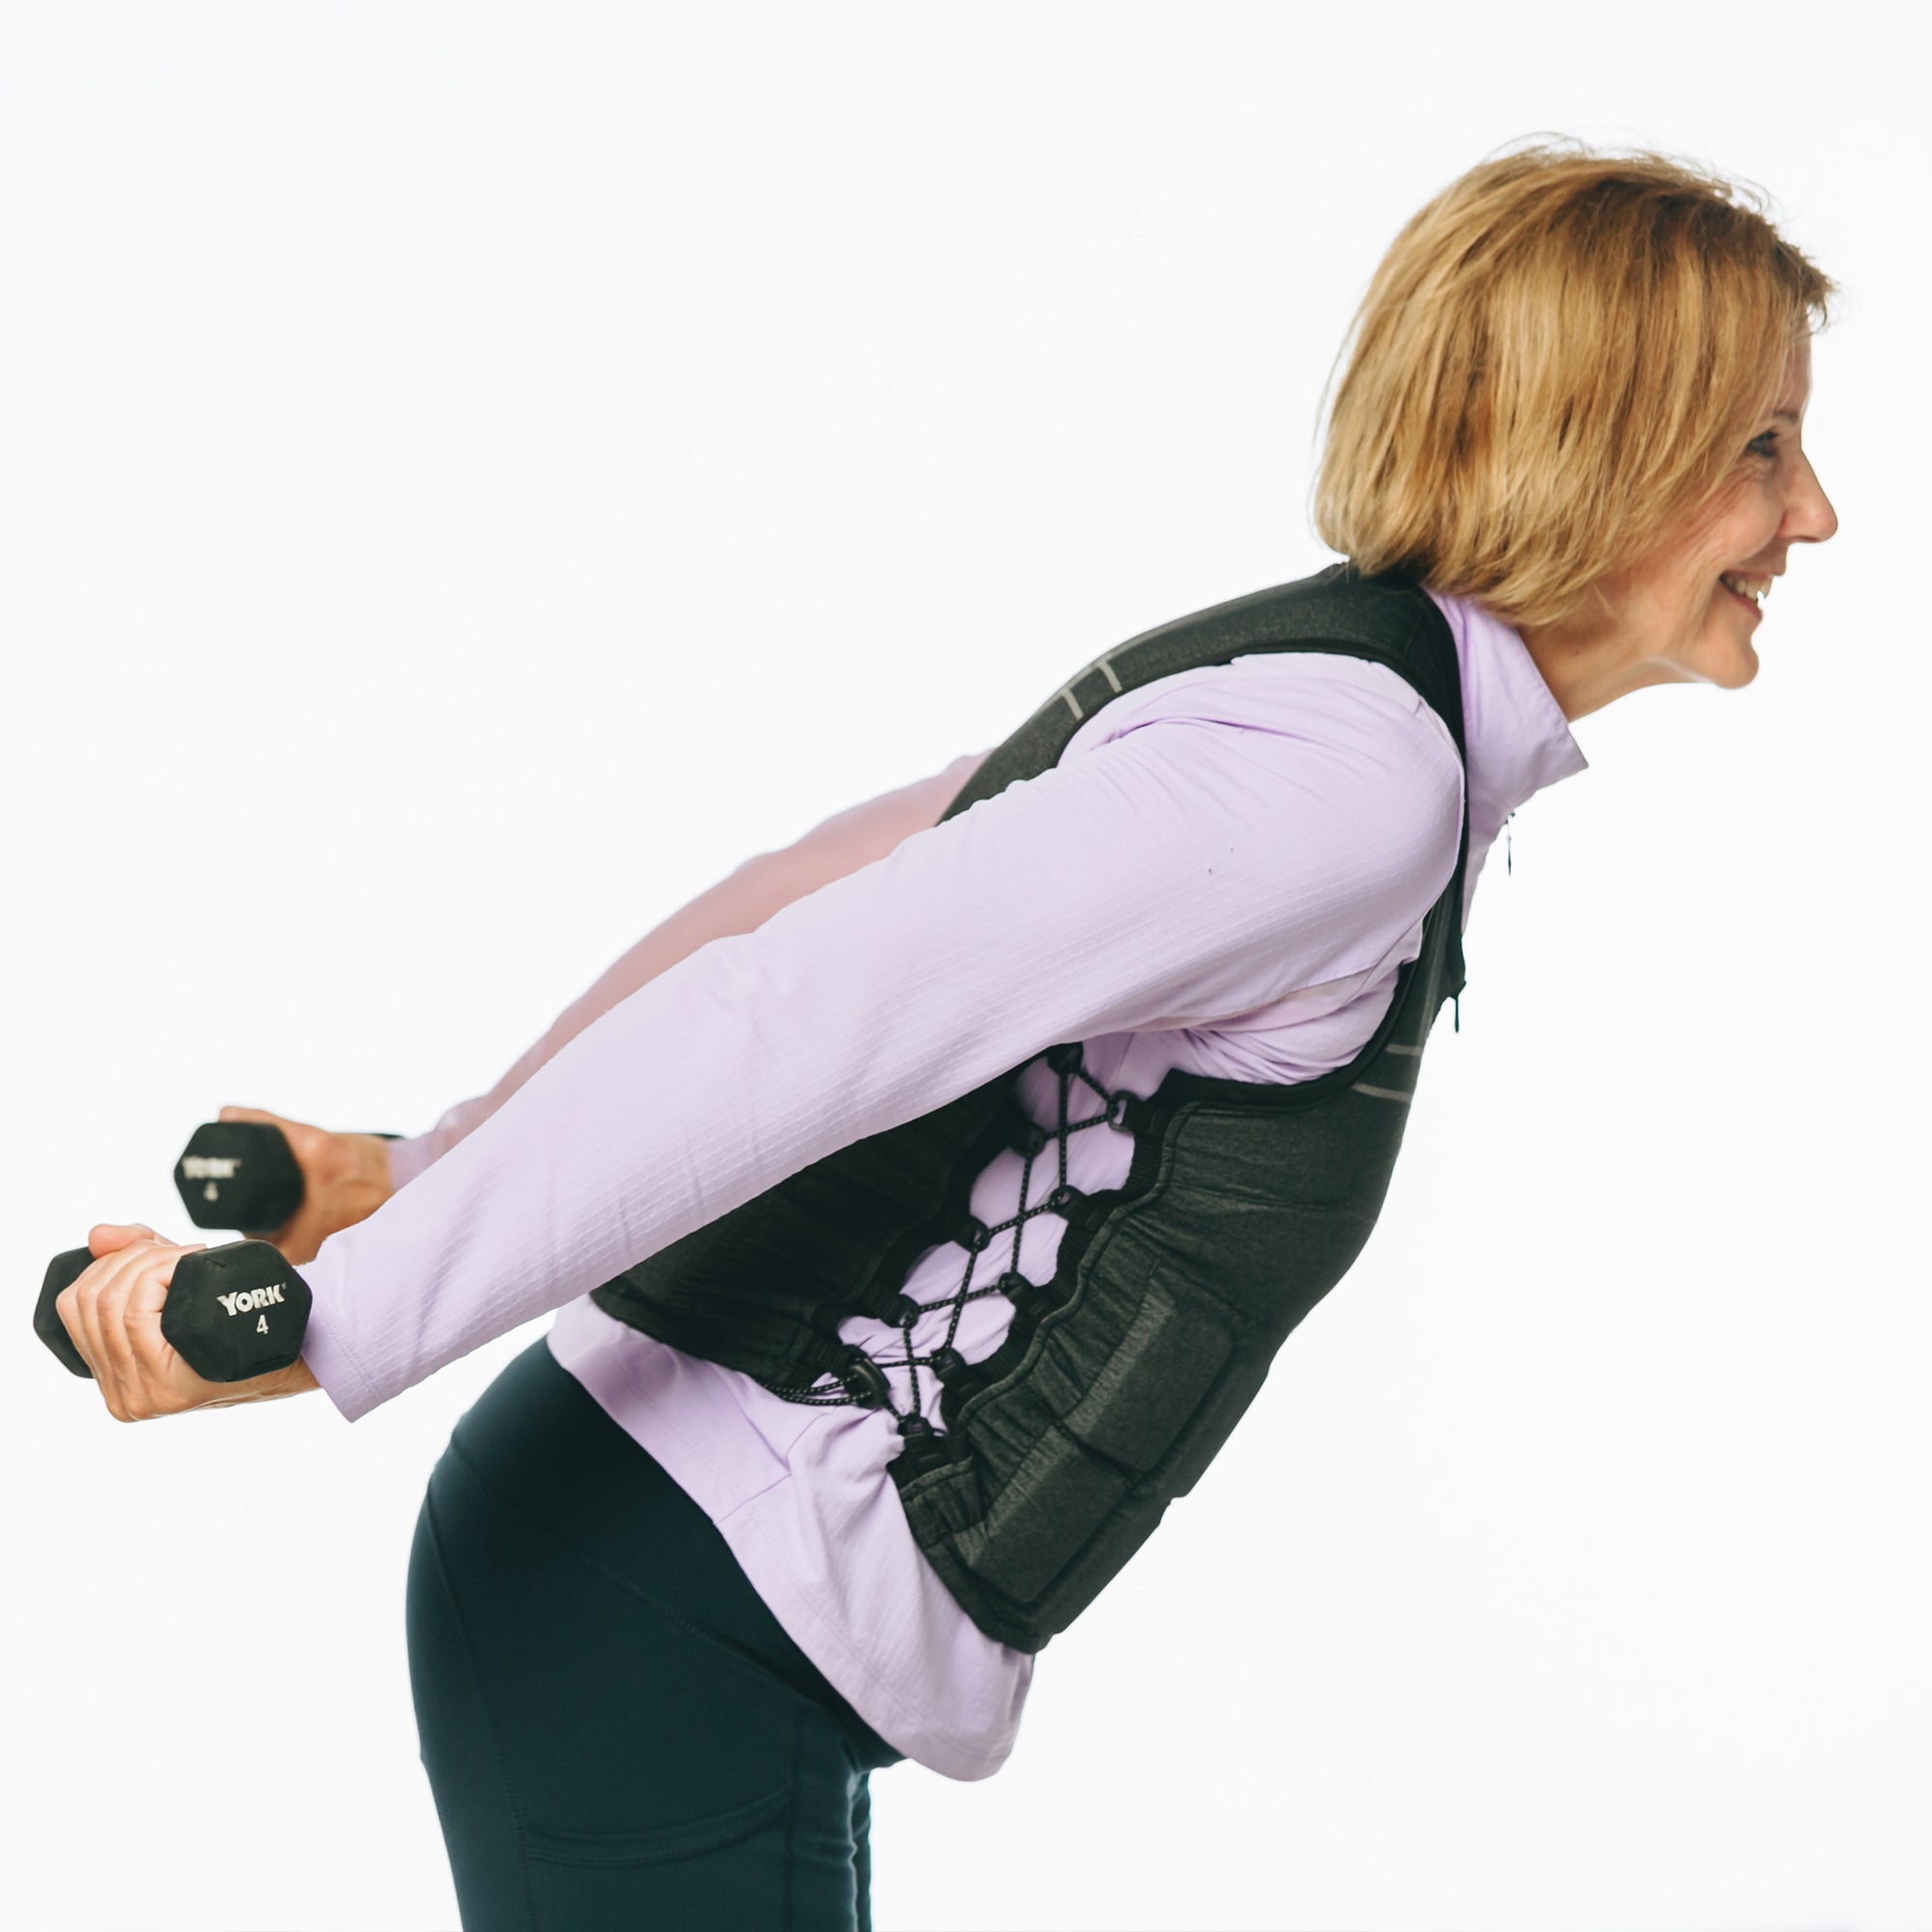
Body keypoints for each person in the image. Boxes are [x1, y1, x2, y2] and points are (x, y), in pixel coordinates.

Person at [51, 137, 1838, 1930]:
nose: (1815, 512)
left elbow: (826, 881)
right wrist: (354, 1310)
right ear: (1600, 442)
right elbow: (802, 1012)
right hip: (667, 1619)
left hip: (677, 1608)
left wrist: (428, 1165)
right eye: (1763, 446)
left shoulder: (1330, 701)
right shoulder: (1352, 778)